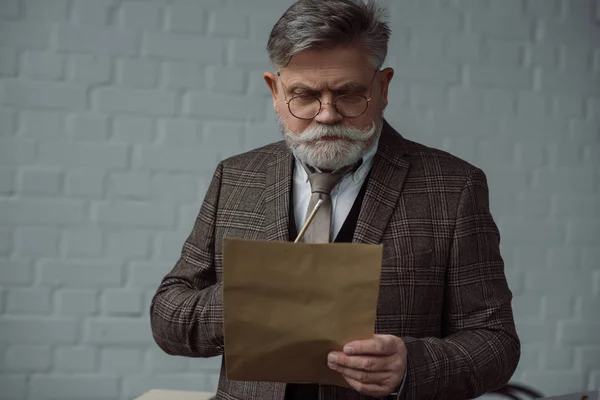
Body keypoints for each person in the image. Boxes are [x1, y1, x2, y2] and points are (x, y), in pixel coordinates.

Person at [149, 0, 521, 399]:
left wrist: (411, 364)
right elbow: (167, 316)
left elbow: (496, 342)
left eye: (349, 94)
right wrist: (243, 302)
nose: (327, 115)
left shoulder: (454, 186)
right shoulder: (235, 177)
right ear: (275, 91)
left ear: (382, 87)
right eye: (304, 95)